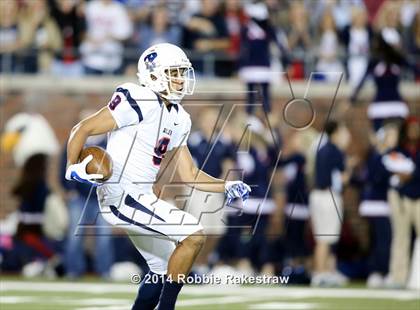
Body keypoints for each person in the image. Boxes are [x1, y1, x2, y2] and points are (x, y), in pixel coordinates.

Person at [64, 43, 251, 310]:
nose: (181, 79)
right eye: (174, 72)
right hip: (122, 195)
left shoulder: (180, 118)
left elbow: (189, 174)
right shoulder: (138, 98)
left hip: (142, 196)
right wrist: (72, 166)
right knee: (194, 235)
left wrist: (226, 185)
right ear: (153, 74)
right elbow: (82, 128)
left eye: (182, 73)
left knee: (161, 269)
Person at [309, 121, 352, 287]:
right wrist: (350, 167)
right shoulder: (335, 151)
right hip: (329, 196)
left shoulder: (321, 148)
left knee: (325, 236)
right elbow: (343, 178)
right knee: (325, 237)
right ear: (335, 133)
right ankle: (320, 273)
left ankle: (327, 271)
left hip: (318, 195)